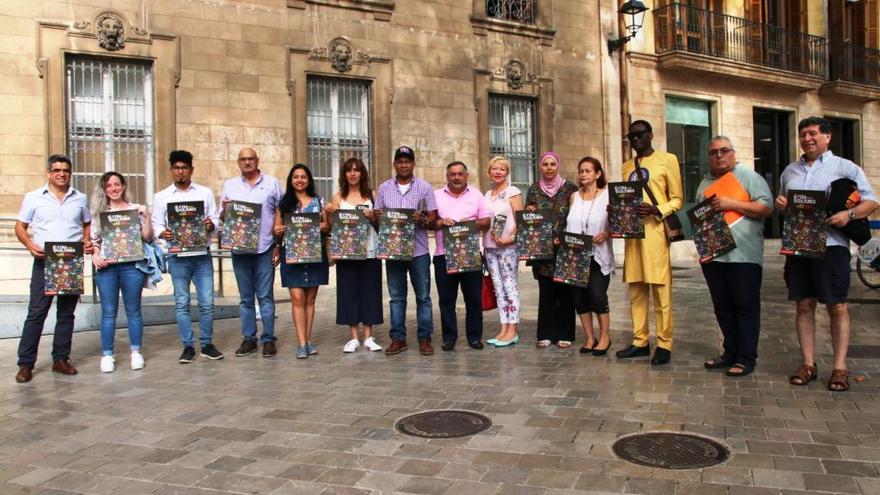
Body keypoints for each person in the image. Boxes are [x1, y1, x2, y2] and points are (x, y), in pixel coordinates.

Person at [776, 116, 878, 391]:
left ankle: (840, 368)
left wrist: (849, 214)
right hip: (799, 246)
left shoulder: (845, 168)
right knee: (804, 304)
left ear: (827, 136)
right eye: (803, 135)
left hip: (832, 247)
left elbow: (871, 200)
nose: (807, 139)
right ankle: (808, 363)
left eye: (812, 134)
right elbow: (787, 205)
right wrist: (782, 203)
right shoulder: (790, 171)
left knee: (838, 306)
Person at [697, 137, 773, 377]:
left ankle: (746, 358)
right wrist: (703, 249)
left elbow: (766, 208)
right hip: (715, 257)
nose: (719, 156)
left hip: (744, 256)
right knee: (723, 308)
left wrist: (731, 203)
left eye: (724, 151)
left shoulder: (749, 177)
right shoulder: (703, 184)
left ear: (733, 153)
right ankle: (729, 352)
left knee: (745, 307)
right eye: (713, 152)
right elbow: (701, 221)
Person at [15, 154, 93, 383]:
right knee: (36, 313)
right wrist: (29, 244)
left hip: (71, 261)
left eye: (66, 170)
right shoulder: (33, 198)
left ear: (70, 173)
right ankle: (25, 364)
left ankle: (60, 359)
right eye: (57, 170)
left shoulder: (80, 198)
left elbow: (86, 222)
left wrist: (86, 240)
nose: (61, 174)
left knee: (66, 314)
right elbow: (20, 226)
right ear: (48, 172)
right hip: (44, 260)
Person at [616, 120, 683, 366]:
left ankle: (664, 343)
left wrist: (657, 208)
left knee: (661, 290)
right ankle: (640, 341)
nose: (635, 140)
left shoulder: (668, 160)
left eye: (640, 135)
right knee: (636, 291)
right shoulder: (626, 167)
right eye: (631, 136)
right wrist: (617, 210)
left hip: (655, 234)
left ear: (651, 135)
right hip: (633, 237)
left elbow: (677, 199)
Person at [152, 150, 224, 364]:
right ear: (172, 170)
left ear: (191, 170)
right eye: (177, 168)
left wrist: (212, 225)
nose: (180, 171)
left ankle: (207, 344)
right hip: (177, 257)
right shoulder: (161, 197)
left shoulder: (204, 193)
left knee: (207, 302)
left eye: (184, 168)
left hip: (202, 255)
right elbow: (156, 222)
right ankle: (188, 346)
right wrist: (161, 233)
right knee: (182, 302)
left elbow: (216, 220)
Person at [374, 146, 439, 356]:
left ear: (413, 163)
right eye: (400, 161)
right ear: (395, 164)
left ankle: (425, 338)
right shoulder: (384, 188)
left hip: (418, 251)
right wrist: (375, 218)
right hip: (393, 252)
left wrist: (424, 219)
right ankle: (398, 338)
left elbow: (433, 219)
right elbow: (377, 219)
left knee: (423, 297)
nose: (404, 165)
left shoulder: (425, 188)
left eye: (407, 161)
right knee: (396, 297)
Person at [220, 147, 283, 358]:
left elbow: (280, 213)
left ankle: (268, 340)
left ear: (257, 160)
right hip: (240, 250)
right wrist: (225, 211)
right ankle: (249, 339)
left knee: (265, 297)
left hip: (264, 247)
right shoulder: (229, 186)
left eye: (251, 158)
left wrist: (277, 245)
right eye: (243, 159)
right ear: (238, 162)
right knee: (245, 298)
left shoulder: (272, 183)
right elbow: (222, 218)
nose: (247, 162)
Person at [90, 172, 154, 372]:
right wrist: (95, 255)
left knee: (133, 311)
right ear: (105, 189)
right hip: (107, 268)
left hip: (131, 266)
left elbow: (148, 237)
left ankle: (136, 352)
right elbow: (94, 241)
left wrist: (147, 216)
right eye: (109, 186)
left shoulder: (134, 210)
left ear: (123, 186)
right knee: (108, 313)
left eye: (117, 184)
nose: (113, 188)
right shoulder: (100, 213)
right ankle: (107, 355)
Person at [323, 158, 384, 353]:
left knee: (370, 291)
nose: (353, 174)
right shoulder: (338, 197)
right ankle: (353, 337)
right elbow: (331, 227)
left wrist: (373, 216)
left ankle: (368, 336)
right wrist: (328, 213)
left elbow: (382, 223)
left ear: (362, 174)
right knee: (348, 292)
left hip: (369, 251)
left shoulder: (373, 195)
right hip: (346, 253)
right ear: (344, 174)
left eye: (356, 170)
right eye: (349, 170)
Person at [431, 161, 491, 351]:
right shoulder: (436, 196)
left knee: (473, 298)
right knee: (446, 300)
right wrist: (441, 222)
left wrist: (472, 223)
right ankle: (449, 338)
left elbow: (486, 222)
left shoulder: (477, 195)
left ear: (466, 176)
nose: (456, 177)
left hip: (470, 255)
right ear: (447, 176)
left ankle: (474, 337)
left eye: (460, 174)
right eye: (452, 174)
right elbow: (429, 222)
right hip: (444, 255)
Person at [274, 164, 330, 359]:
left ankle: (308, 340)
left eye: (303, 177)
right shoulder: (284, 204)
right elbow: (277, 228)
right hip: (292, 256)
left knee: (310, 299)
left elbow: (327, 226)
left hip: (315, 256)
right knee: (297, 299)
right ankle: (301, 343)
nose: (300, 180)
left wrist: (324, 225)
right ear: (291, 180)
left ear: (309, 180)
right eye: (296, 177)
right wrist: (278, 231)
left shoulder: (319, 201)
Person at [525, 151, 579, 349]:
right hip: (543, 250)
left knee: (565, 292)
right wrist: (529, 211)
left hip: (564, 247)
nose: (549, 168)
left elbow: (577, 214)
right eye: (545, 164)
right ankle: (546, 333)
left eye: (552, 164)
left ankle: (565, 333)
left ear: (558, 166)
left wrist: (563, 237)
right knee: (546, 292)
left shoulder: (570, 188)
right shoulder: (533, 189)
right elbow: (529, 218)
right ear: (540, 167)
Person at [566, 157, 613, 356]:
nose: (583, 174)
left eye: (588, 171)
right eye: (581, 171)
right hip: (576, 256)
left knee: (597, 294)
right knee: (579, 298)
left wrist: (607, 233)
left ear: (598, 174)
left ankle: (604, 337)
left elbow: (618, 221)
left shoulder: (608, 195)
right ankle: (589, 337)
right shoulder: (574, 197)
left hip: (598, 255)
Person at [483, 156, 523, 347]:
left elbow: (521, 221)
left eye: (502, 169)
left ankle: (513, 330)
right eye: (494, 169)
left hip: (508, 247)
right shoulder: (487, 194)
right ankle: (503, 328)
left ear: (507, 172)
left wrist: (511, 238)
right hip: (490, 247)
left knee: (510, 287)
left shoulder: (512, 192)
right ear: (489, 172)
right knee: (498, 289)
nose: (498, 172)